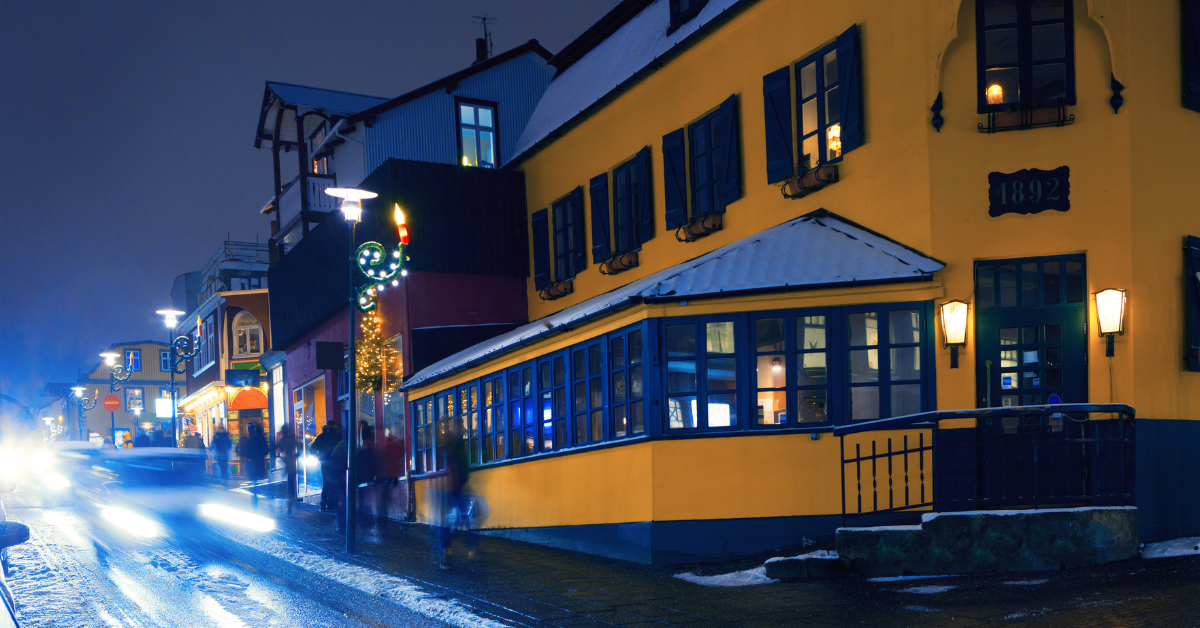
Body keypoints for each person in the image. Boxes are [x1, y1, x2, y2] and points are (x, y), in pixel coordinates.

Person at [437, 423, 475, 569]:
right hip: (456, 489)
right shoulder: (459, 449)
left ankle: (446, 552)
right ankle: (471, 549)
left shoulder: (449, 450)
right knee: (464, 519)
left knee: (446, 522)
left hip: (451, 489)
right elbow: (464, 470)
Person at [310, 423, 341, 512]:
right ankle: (331, 505)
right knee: (333, 484)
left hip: (325, 464)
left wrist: (318, 457)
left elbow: (312, 449)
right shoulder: (337, 437)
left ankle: (323, 505)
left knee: (326, 484)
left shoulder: (321, 437)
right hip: (335, 464)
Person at [276, 423, 299, 515]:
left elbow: (278, 449)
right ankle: (292, 497)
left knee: (290, 480)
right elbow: (298, 445)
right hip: (293, 460)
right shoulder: (292, 438)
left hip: (288, 461)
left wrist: (280, 456)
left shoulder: (284, 439)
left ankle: (290, 502)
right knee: (292, 478)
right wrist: (297, 455)